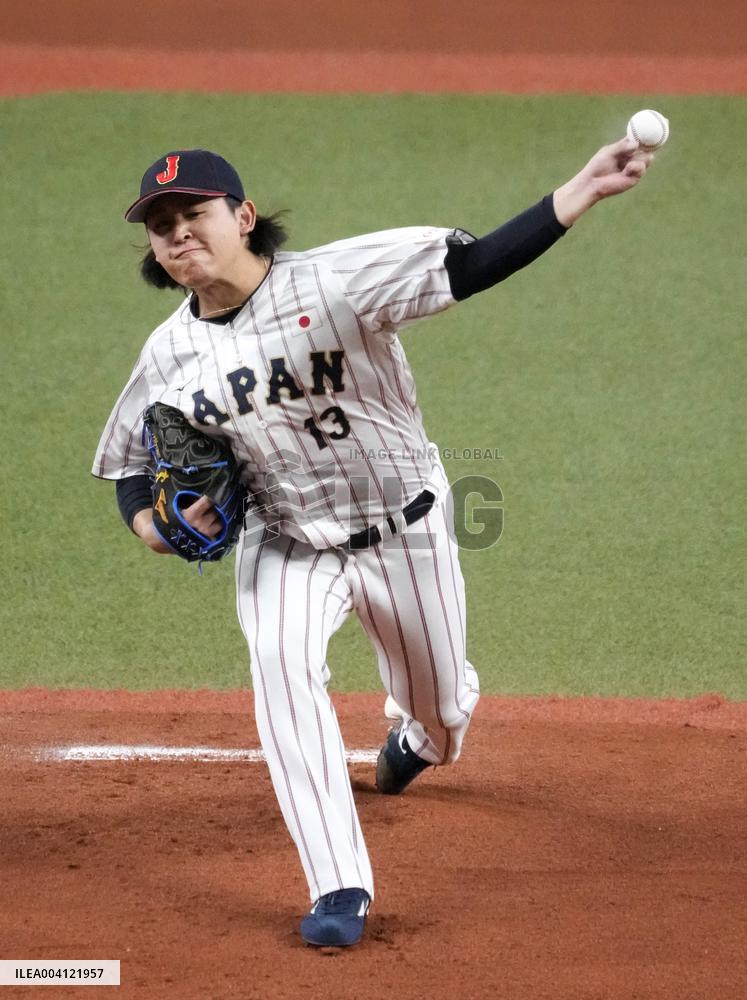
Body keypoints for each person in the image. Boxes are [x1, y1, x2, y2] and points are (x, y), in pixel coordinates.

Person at [93, 139, 653, 947]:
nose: (178, 234)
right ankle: (338, 885)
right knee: (281, 672)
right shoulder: (167, 354)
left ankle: (420, 736)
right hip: (287, 544)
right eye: (161, 225)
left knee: (445, 713)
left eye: (195, 215)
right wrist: (151, 526)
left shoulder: (336, 281)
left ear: (243, 218)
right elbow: (127, 468)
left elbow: (471, 266)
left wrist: (578, 191)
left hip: (406, 529)